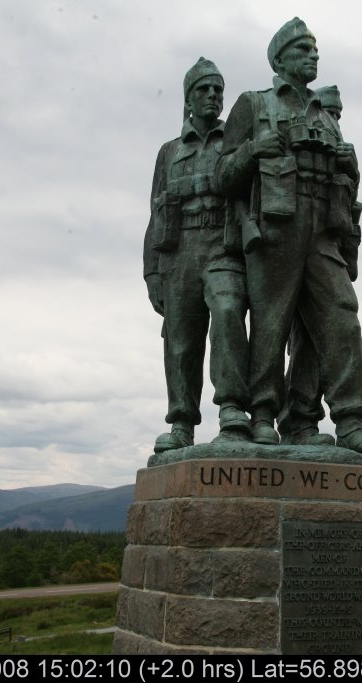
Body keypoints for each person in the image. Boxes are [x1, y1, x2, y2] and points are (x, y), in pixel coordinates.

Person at [216, 17, 362, 456]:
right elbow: (223, 176)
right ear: (279, 59)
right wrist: (250, 151)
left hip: (323, 229)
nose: (313, 55)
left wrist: (350, 165)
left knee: (340, 316)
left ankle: (349, 422)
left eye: (315, 49)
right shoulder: (254, 104)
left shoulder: (324, 112)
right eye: (303, 49)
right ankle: (262, 415)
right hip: (277, 227)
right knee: (270, 323)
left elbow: (345, 183)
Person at [143, 57, 250, 453]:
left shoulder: (235, 139)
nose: (212, 96)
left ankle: (233, 409)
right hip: (179, 251)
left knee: (227, 311)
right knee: (181, 340)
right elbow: (154, 212)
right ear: (188, 99)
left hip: (223, 246)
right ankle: (182, 422)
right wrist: (151, 273)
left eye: (218, 90)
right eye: (204, 90)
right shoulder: (169, 152)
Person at [277, 85, 362, 445]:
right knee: (295, 338)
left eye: (338, 114)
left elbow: (347, 208)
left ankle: (313, 421)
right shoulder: (295, 135)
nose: (334, 120)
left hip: (327, 247)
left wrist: (351, 168)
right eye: (330, 112)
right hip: (285, 241)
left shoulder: (341, 153)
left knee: (321, 334)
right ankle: (294, 420)